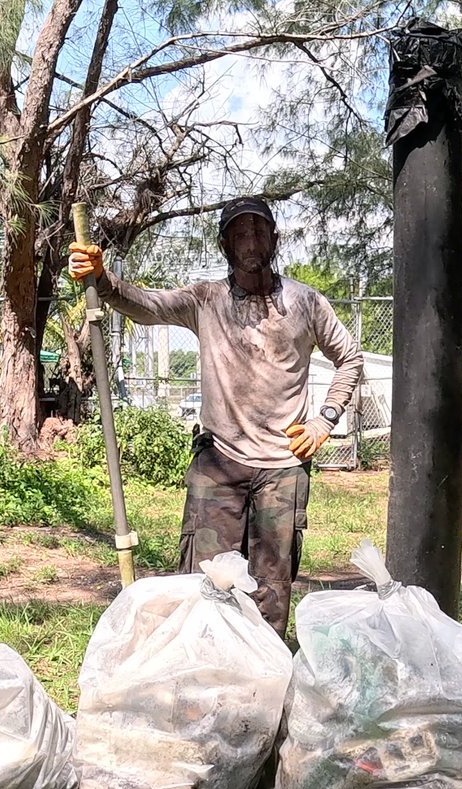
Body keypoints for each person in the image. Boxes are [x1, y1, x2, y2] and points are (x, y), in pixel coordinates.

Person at [67, 197, 364, 637]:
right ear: (224, 244)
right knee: (204, 579)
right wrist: (103, 279)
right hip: (220, 461)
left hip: (283, 466)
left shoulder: (305, 302)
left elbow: (350, 359)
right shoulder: (205, 300)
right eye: (240, 232)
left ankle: (266, 673)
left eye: (260, 230)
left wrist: (323, 422)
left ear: (275, 239)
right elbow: (146, 305)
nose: (251, 240)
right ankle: (205, 663)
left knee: (272, 584)